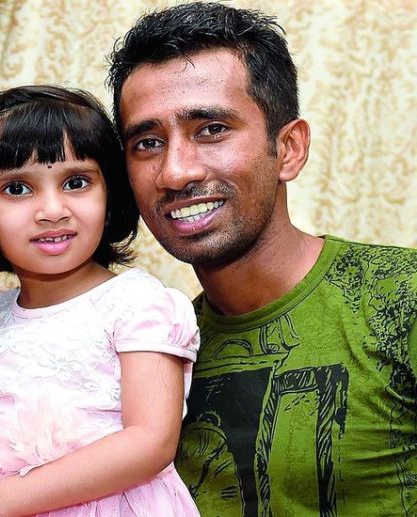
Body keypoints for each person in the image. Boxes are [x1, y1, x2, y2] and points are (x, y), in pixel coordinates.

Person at [107, 2, 417, 515]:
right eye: (148, 142)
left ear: (289, 149)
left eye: (211, 129)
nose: (176, 171)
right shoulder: (156, 350)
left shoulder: (401, 296)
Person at [0, 85, 200, 516]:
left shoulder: (138, 303)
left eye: (76, 182)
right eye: (17, 189)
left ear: (111, 194)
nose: (52, 210)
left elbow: (150, 442)